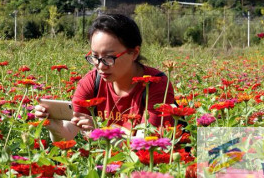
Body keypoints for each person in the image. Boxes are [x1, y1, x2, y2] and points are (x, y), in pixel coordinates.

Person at [34, 14, 175, 141]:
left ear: (134, 53)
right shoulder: (91, 81)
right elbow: (69, 132)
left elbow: (146, 143)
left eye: (109, 57)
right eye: (95, 57)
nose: (100, 66)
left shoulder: (156, 84)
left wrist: (101, 133)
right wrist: (55, 127)